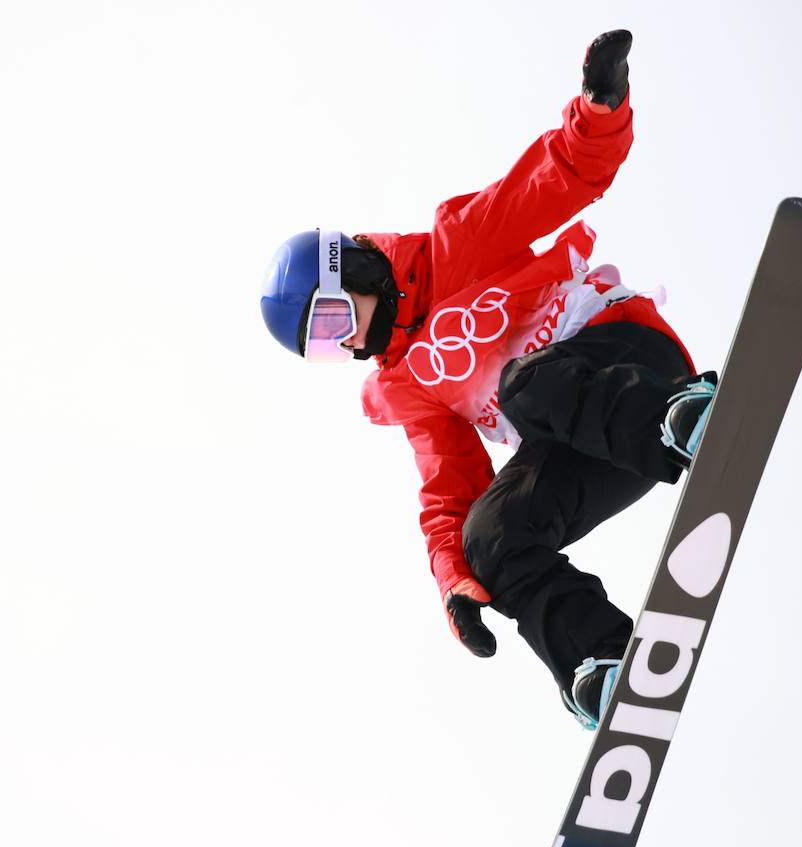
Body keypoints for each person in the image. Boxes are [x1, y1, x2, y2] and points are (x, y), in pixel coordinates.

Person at [258, 30, 718, 730]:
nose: (344, 341)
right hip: (594, 444)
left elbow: (557, 176)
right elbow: (446, 491)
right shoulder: (407, 388)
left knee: (519, 386)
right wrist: (455, 578)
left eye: (330, 318)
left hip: (629, 362)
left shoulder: (459, 243)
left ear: (353, 269)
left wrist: (599, 108)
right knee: (490, 538)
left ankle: (678, 417)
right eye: (324, 346)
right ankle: (603, 661)